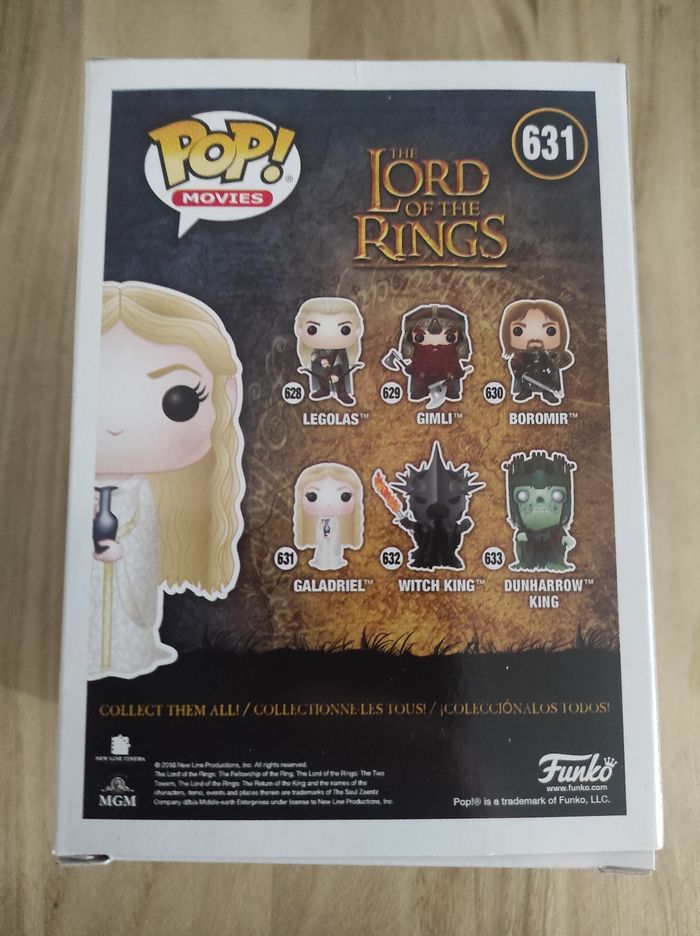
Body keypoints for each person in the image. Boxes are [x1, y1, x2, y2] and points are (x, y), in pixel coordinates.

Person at [89, 281, 244, 679]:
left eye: (180, 400)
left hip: (126, 594)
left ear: (225, 396)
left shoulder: (145, 493)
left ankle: (128, 655)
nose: (118, 424)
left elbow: (144, 547)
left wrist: (120, 552)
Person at [293, 463, 364, 571]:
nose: (328, 504)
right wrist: (322, 536)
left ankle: (335, 561)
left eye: (345, 496)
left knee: (334, 548)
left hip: (334, 543)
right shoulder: (319, 522)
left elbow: (337, 537)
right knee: (322, 549)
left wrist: (332, 535)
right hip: (322, 544)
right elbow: (318, 536)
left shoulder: (337, 522)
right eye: (312, 496)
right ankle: (321, 561)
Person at [294, 297, 364, 405]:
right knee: (322, 374)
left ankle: (342, 392)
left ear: (357, 331)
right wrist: (321, 360)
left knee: (338, 371)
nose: (329, 337)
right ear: (299, 330)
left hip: (337, 370)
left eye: (345, 330)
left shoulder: (341, 352)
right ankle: (324, 389)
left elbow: (339, 364)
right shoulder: (317, 351)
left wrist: (335, 374)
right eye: (312, 329)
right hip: (322, 371)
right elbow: (314, 356)